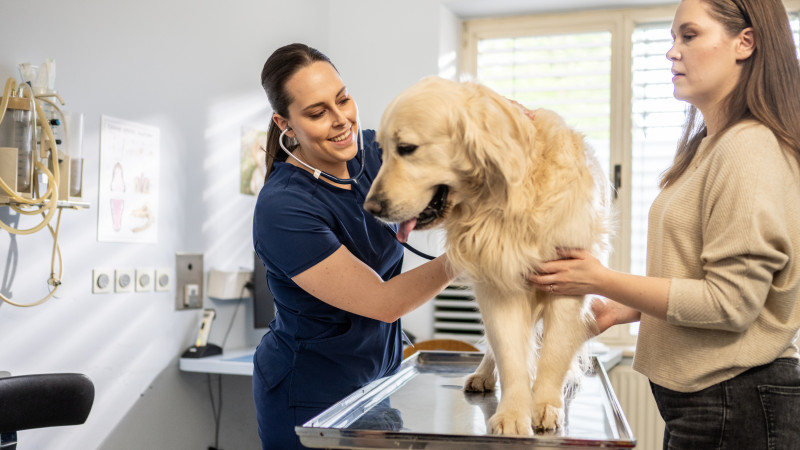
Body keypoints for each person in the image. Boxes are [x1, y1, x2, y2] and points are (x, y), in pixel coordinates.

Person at [529, 0, 800, 448]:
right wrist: (626, 309)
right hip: (714, 402)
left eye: (689, 36)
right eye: (673, 37)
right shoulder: (710, 148)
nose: (672, 51)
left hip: (739, 402)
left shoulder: (750, 149)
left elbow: (731, 304)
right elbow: (701, 281)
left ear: (744, 42)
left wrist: (602, 279)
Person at [252, 43, 454, 450]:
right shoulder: (283, 208)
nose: (341, 118)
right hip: (311, 396)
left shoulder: (376, 154)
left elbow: (450, 149)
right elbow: (384, 302)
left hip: (377, 381)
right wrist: (469, 256)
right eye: (316, 112)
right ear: (285, 123)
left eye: (342, 99)